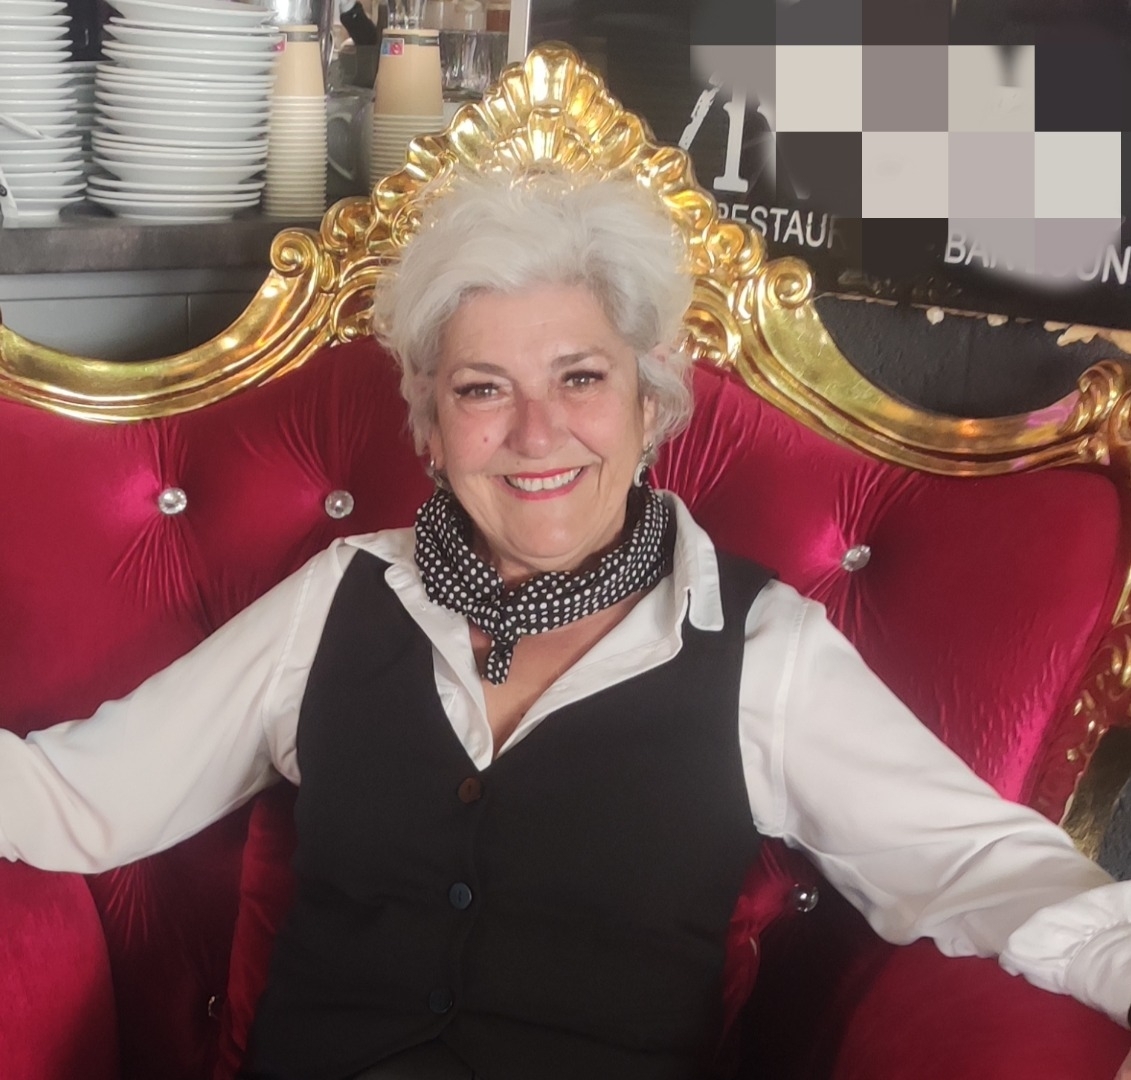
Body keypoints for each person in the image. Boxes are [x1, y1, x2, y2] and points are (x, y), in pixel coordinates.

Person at [1, 168, 1129, 1080]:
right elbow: (79, 801)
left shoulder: (761, 650)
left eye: (580, 378)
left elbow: (978, 866)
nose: (536, 434)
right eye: (482, 388)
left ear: (649, 408)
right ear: (430, 430)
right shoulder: (339, 597)